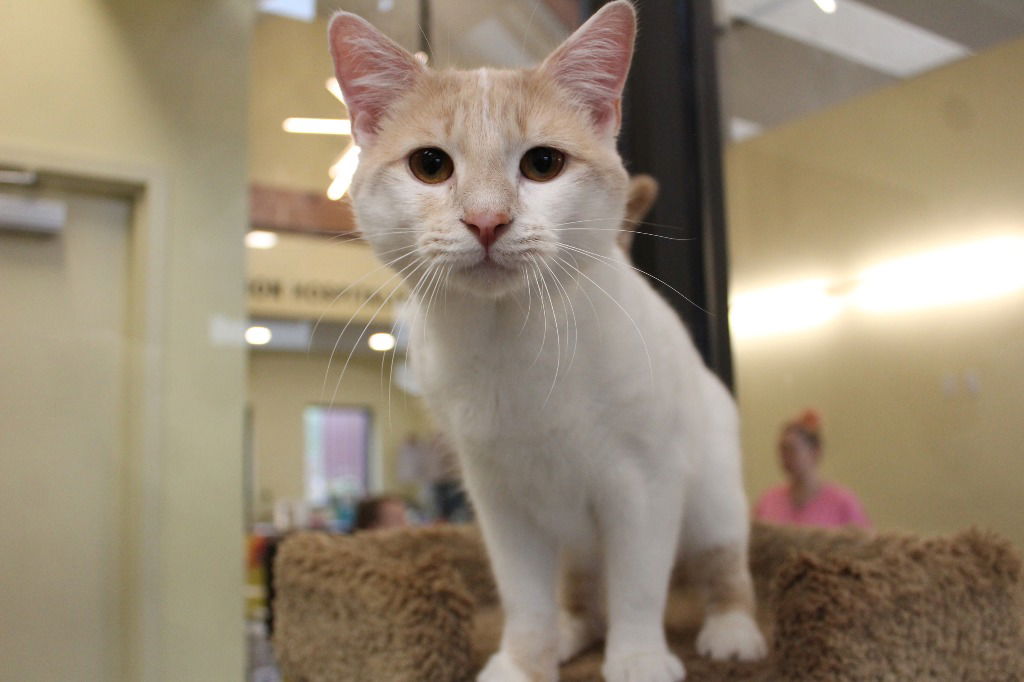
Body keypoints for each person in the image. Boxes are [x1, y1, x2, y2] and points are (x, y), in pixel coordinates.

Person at [753, 409, 870, 529]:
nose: (785, 456)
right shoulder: (768, 501)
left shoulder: (843, 503)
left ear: (815, 452)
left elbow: (864, 544)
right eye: (782, 449)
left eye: (792, 449)